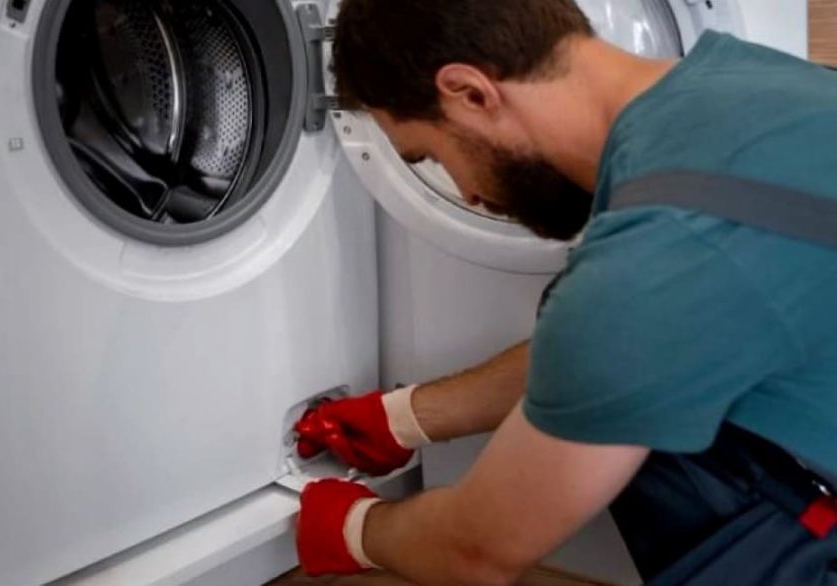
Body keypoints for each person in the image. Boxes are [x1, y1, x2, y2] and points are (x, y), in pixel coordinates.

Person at [292, 1, 837, 584]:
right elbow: (635, 350)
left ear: (471, 93)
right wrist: (405, 419)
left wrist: (355, 529)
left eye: (430, 155)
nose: (467, 194)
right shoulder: (745, 82)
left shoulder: (656, 258)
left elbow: (475, 551)